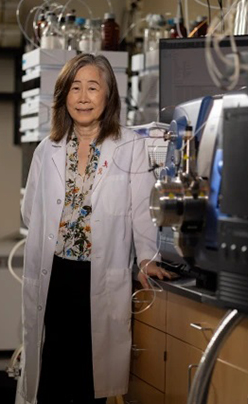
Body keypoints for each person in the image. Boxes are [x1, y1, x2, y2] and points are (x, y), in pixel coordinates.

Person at [17, 53, 171, 404]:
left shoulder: (130, 146)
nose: (83, 97)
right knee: (52, 376)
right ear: (64, 96)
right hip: (54, 276)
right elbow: (31, 213)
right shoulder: (48, 149)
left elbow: (141, 211)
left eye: (92, 87)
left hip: (99, 277)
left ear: (108, 95)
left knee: (89, 381)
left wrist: (147, 258)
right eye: (75, 88)